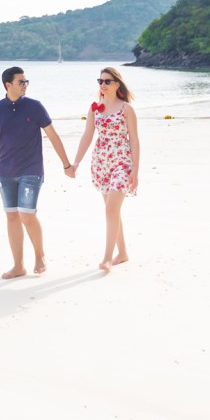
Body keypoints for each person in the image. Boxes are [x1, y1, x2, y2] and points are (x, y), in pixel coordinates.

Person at [0, 66, 74, 279]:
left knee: (27, 214)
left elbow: (53, 136)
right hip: (6, 171)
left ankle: (40, 256)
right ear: (8, 85)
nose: (25, 85)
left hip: (32, 169)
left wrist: (66, 164)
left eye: (27, 81)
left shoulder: (35, 107)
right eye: (21, 82)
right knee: (11, 216)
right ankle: (18, 265)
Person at [68, 66, 140, 273]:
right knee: (112, 210)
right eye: (100, 81)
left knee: (110, 209)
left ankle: (107, 258)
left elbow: (134, 140)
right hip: (101, 163)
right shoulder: (94, 108)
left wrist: (135, 170)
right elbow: (87, 136)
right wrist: (76, 163)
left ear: (117, 84)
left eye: (107, 81)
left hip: (122, 162)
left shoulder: (127, 110)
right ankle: (123, 253)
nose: (103, 85)